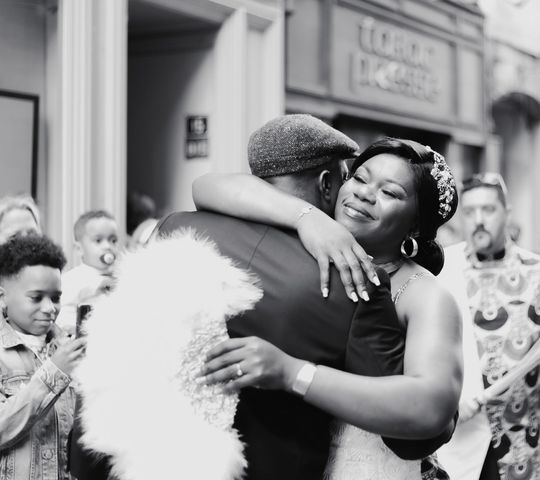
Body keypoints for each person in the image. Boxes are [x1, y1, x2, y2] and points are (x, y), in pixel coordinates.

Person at [155, 115, 453, 480]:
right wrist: (307, 218)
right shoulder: (312, 256)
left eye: (390, 192)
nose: (364, 193)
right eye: (358, 178)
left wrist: (293, 372)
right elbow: (206, 185)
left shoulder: (423, 294)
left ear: (415, 225)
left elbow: (431, 412)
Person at [437, 173, 540, 480]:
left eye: (487, 210)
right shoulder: (442, 268)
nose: (478, 220)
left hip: (519, 436)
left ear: (507, 212)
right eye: (470, 211)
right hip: (457, 434)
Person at [0, 234, 86, 480]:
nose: (49, 308)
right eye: (36, 298)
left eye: (56, 297)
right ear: (2, 297)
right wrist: (54, 372)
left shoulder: (69, 347)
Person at [57, 210, 119, 335]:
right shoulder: (74, 278)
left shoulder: (118, 276)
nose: (107, 246)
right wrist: (74, 328)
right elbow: (63, 309)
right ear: (79, 249)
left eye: (113, 241)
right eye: (98, 241)